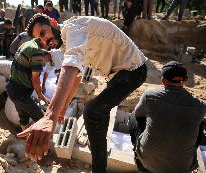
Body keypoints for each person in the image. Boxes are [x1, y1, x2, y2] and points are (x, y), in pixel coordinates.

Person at [18, 16, 147, 173]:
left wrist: (49, 116)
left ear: (53, 23)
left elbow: (71, 66)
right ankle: (100, 151)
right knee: (98, 115)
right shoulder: (67, 44)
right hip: (118, 75)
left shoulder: (73, 27)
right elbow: (77, 76)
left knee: (92, 112)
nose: (46, 40)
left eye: (45, 32)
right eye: (41, 38)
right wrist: (63, 106)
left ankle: (99, 167)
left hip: (133, 70)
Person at [129, 61, 206, 173]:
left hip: (146, 164)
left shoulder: (150, 95)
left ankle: (139, 153)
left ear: (163, 81)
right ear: (185, 80)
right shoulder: (200, 106)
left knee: (133, 116)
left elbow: (137, 114)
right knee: (199, 126)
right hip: (181, 168)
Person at [6, 13, 62, 131]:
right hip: (21, 93)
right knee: (42, 120)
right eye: (53, 43)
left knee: (24, 118)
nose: (52, 45)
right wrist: (41, 95)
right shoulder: (36, 51)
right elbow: (35, 78)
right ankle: (42, 148)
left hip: (12, 88)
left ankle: (25, 140)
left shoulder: (28, 43)